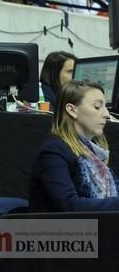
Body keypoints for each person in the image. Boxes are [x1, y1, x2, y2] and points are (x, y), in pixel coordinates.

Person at [29, 80, 119, 211]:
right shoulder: (54, 151)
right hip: (59, 230)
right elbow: (70, 206)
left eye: (106, 107)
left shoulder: (94, 154)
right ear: (72, 110)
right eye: (97, 107)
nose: (106, 114)